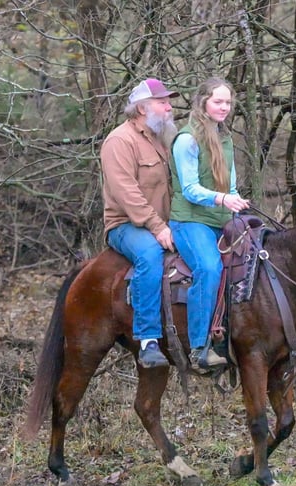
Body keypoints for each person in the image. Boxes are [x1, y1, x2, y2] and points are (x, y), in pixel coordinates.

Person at [169, 77, 250, 370]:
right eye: (218, 101)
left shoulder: (225, 138)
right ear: (203, 102)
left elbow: (231, 186)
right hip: (190, 220)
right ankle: (199, 347)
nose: (224, 107)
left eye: (228, 102)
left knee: (257, 259)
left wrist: (236, 202)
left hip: (221, 217)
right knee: (209, 268)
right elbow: (190, 189)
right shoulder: (187, 139)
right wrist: (223, 199)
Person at [101, 78, 180, 369]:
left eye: (168, 102)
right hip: (125, 225)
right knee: (150, 254)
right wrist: (157, 227)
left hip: (164, 222)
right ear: (142, 108)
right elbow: (127, 194)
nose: (169, 107)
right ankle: (148, 340)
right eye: (163, 102)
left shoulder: (160, 139)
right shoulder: (119, 141)